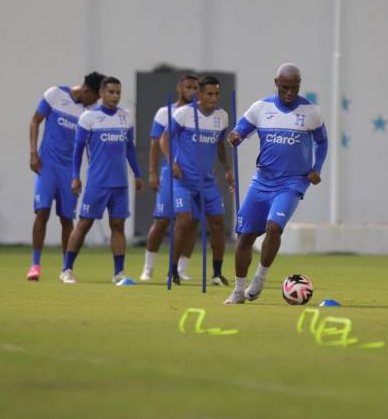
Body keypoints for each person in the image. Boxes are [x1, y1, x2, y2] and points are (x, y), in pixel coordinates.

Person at [224, 64, 327, 304]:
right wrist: (235, 137)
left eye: (294, 87)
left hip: (292, 182)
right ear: (276, 83)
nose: (289, 92)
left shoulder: (311, 112)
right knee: (245, 238)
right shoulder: (261, 108)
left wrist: (317, 168)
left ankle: (260, 279)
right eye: (285, 87)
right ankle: (238, 290)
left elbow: (322, 143)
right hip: (262, 181)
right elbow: (238, 132)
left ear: (300, 84)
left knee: (274, 227)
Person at [59, 76, 144, 284]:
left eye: (118, 92)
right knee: (84, 224)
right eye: (111, 92)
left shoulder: (127, 117)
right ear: (101, 94)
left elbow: (130, 148)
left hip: (120, 184)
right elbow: (78, 150)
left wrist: (138, 173)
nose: (115, 96)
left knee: (118, 227)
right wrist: (75, 177)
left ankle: (119, 273)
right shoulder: (89, 117)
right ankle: (66, 269)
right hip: (97, 183)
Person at [27, 72, 105, 281]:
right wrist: (33, 153)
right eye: (95, 97)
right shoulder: (54, 94)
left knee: (66, 218)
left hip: (69, 171)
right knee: (42, 211)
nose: (95, 102)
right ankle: (35, 265)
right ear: (87, 91)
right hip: (47, 165)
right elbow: (35, 121)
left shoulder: (88, 114)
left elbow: (90, 146)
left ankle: (66, 269)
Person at [160, 76, 234, 286]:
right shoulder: (183, 114)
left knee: (218, 224)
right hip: (183, 180)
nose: (214, 98)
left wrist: (227, 168)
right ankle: (172, 271)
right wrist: (171, 162)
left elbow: (221, 144)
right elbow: (165, 138)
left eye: (217, 94)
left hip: (208, 182)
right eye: (209, 94)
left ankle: (217, 274)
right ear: (199, 94)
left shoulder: (222, 116)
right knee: (184, 222)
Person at [140, 74, 201, 282]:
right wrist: (152, 172)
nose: (192, 91)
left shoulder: (201, 114)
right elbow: (156, 143)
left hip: (194, 175)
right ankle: (148, 268)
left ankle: (181, 269)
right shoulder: (165, 112)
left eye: (195, 87)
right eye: (188, 87)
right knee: (162, 220)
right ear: (179, 88)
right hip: (169, 174)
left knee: (191, 222)